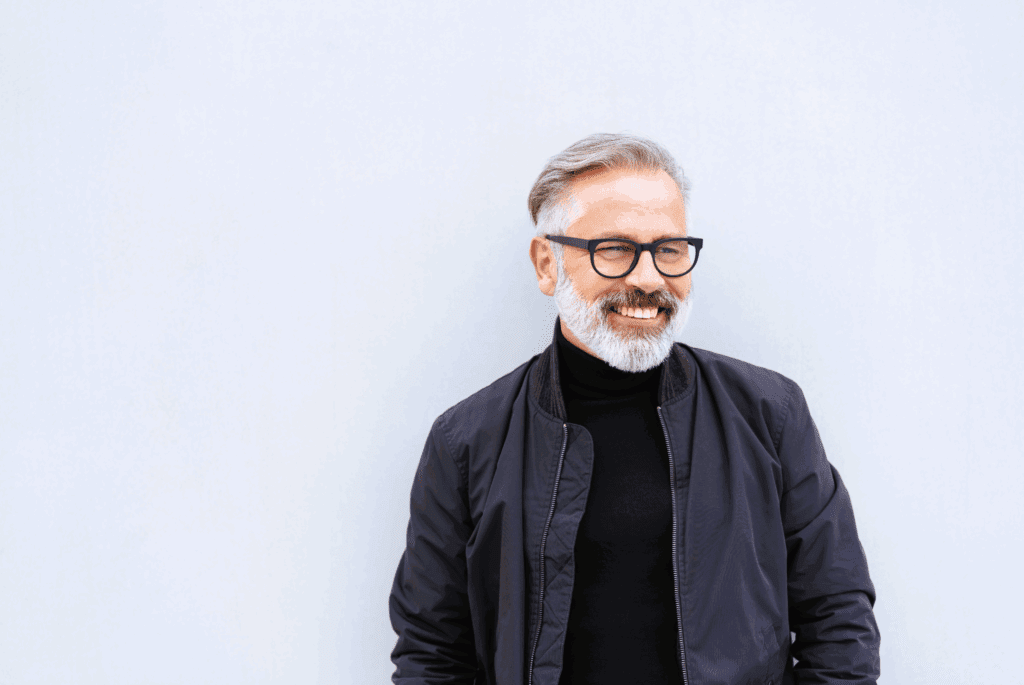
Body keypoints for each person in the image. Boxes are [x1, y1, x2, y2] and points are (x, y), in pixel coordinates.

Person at [388, 133, 880, 685]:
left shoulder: (769, 413)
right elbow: (432, 652)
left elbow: (839, 619)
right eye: (615, 249)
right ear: (547, 263)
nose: (649, 278)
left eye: (668, 249)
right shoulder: (467, 442)